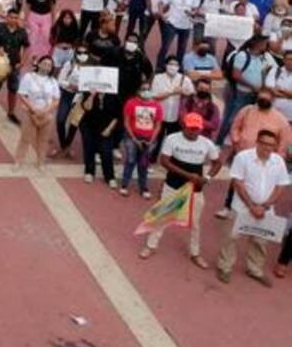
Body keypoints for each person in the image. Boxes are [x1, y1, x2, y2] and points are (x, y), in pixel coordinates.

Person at [139, 113, 222, 266]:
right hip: (173, 185)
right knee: (162, 217)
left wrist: (208, 178)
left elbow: (217, 163)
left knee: (195, 223)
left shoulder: (207, 144)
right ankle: (151, 246)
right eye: (190, 128)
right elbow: (164, 161)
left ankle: (195, 253)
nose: (193, 131)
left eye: (196, 129)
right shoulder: (172, 139)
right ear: (184, 126)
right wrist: (187, 175)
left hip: (195, 188)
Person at [216, 129, 288, 286]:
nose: (267, 148)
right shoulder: (243, 157)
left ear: (275, 146)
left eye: (271, 145)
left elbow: (280, 186)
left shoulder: (279, 161)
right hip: (241, 207)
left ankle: (255, 270)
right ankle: (224, 267)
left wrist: (265, 206)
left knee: (261, 241)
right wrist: (251, 206)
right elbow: (238, 183)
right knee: (232, 238)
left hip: (266, 210)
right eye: (264, 143)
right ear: (257, 142)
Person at [119, 81, 162, 198]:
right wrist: (133, 138)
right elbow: (126, 122)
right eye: (143, 89)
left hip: (149, 139)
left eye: (148, 89)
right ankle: (124, 185)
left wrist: (152, 139)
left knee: (144, 164)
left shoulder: (157, 106)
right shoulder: (131, 103)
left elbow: (158, 125)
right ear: (138, 91)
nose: (146, 92)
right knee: (130, 161)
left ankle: (144, 187)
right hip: (132, 137)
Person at [15, 56, 59, 169]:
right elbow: (22, 94)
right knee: (25, 138)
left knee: (43, 139)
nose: (46, 66)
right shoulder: (29, 77)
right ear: (38, 64)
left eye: (49, 65)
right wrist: (32, 108)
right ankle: (19, 161)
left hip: (47, 114)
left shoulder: (53, 81)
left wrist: (46, 110)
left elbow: (56, 100)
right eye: (44, 63)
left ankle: (41, 162)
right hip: (30, 112)